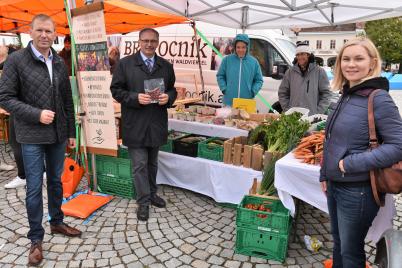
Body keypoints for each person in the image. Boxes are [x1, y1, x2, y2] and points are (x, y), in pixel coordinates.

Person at [0, 14, 82, 266]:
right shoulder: (16, 60)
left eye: (49, 31)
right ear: (31, 31)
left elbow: (67, 100)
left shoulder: (58, 61)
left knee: (55, 181)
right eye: (39, 30)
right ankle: (36, 239)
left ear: (55, 33)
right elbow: (5, 97)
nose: (44, 35)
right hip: (31, 135)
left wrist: (70, 132)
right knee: (34, 187)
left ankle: (56, 222)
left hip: (57, 134)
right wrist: (36, 114)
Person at [320, 37, 402, 268]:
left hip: (359, 190)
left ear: (372, 62)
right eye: (346, 59)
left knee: (351, 251)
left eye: (358, 58)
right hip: (336, 185)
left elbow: (398, 146)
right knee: (338, 245)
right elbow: (331, 141)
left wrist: (351, 163)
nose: (351, 64)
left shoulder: (379, 98)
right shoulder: (346, 94)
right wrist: (324, 174)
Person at [110, 28, 177, 222]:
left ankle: (152, 192)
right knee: (139, 165)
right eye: (146, 41)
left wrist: (168, 97)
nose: (149, 44)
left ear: (158, 43)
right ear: (139, 42)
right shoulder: (125, 64)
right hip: (135, 123)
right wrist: (134, 97)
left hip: (156, 122)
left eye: (153, 41)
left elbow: (173, 90)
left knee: (152, 163)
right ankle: (143, 202)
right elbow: (115, 90)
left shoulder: (165, 66)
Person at [278, 40, 332, 115]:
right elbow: (282, 93)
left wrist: (318, 112)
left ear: (308, 55)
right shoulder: (290, 72)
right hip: (293, 117)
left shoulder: (319, 72)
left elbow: (326, 94)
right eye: (298, 55)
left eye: (302, 54)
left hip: (311, 117)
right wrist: (288, 110)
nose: (300, 57)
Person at [216, 34, 263, 106]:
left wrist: (253, 91)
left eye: (243, 47)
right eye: (238, 47)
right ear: (235, 47)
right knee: (229, 117)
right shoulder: (227, 60)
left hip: (246, 102)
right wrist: (224, 89)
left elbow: (259, 80)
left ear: (247, 47)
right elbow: (220, 76)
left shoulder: (253, 62)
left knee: (244, 117)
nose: (240, 50)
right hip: (229, 101)